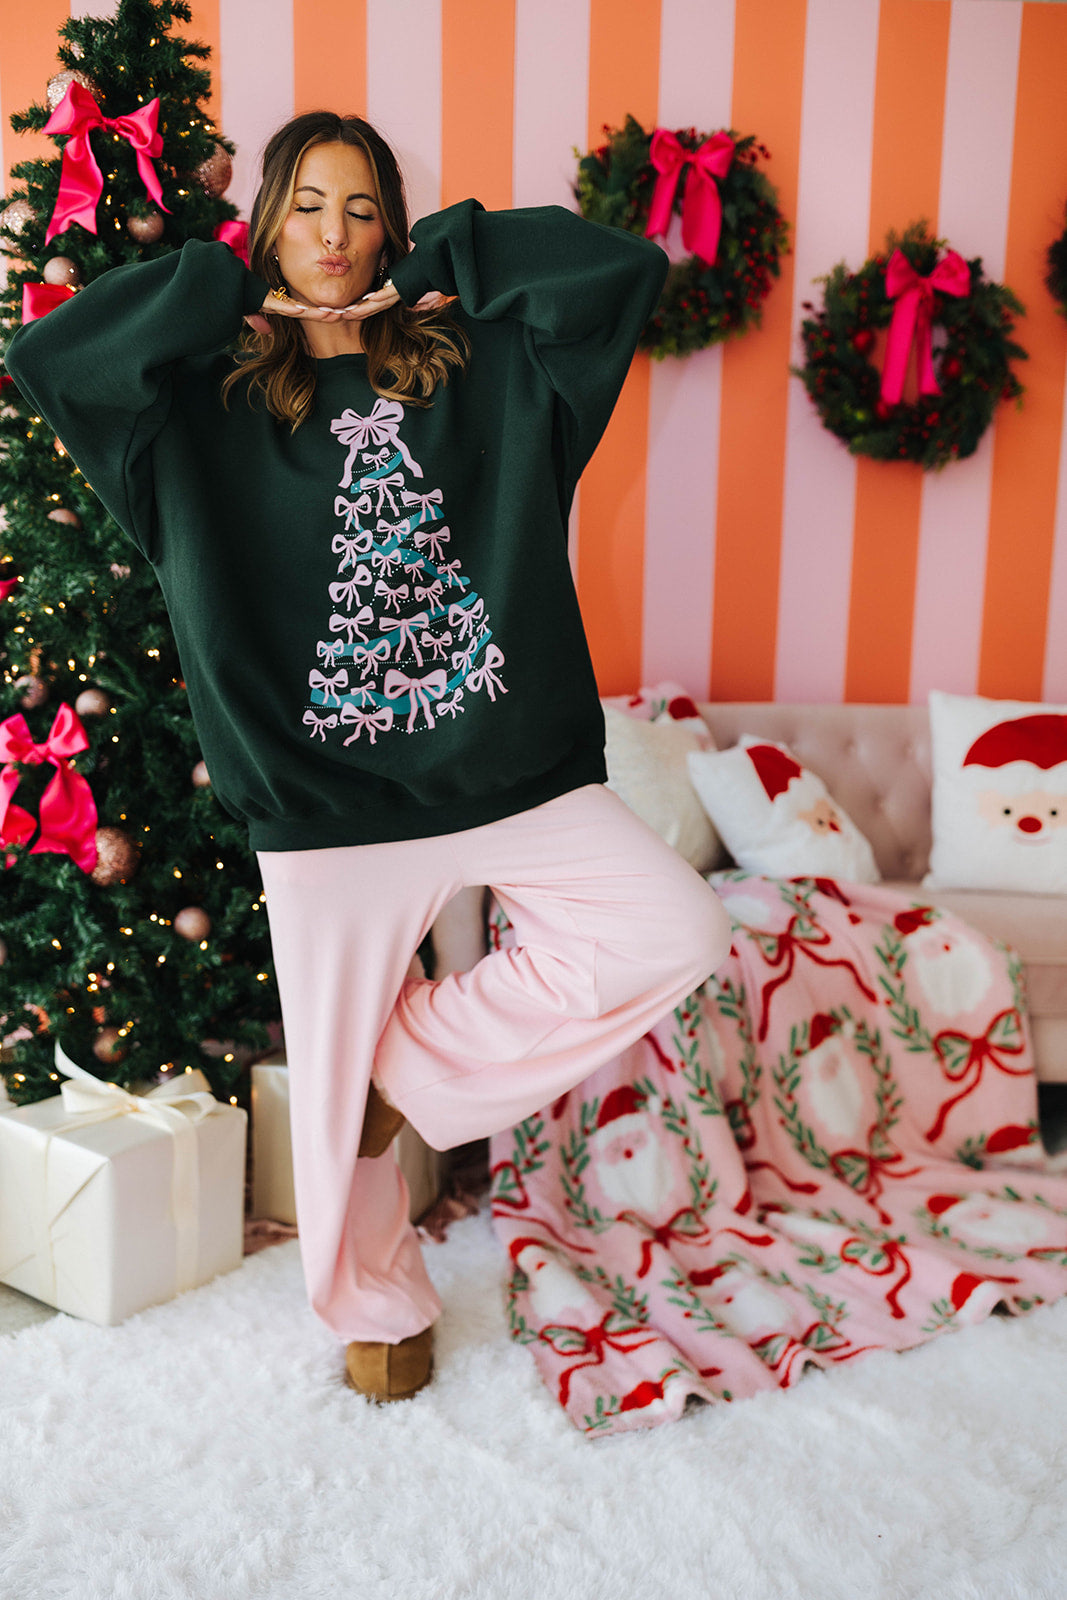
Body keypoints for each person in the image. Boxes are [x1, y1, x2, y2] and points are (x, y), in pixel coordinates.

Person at [6, 111, 731, 1402]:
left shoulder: (484, 362)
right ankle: (378, 1300)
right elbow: (59, 352)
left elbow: (615, 275)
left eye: (360, 210)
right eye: (307, 207)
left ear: (391, 228)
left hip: (512, 771)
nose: (333, 237)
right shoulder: (197, 406)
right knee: (330, 1105)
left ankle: (417, 1068)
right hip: (324, 805)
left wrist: (451, 254)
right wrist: (232, 278)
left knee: (675, 927)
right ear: (269, 218)